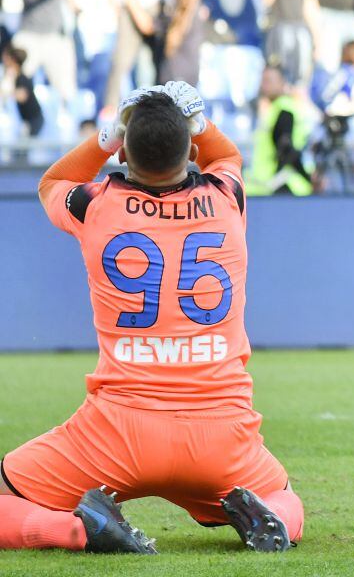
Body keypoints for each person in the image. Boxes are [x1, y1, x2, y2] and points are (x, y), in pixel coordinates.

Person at [0, 82, 303, 553]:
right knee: (287, 502)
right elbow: (228, 159)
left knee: (5, 494)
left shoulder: (97, 206)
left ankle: (80, 531)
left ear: (125, 154)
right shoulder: (227, 200)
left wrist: (110, 134)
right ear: (190, 151)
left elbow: (52, 183)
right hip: (220, 433)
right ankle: (270, 520)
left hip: (117, 431)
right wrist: (197, 121)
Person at [5, 0, 78, 109]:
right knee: (12, 72)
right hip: (29, 34)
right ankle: (8, 108)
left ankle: (67, 113)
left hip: (55, 35)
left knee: (66, 82)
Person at [246, 66, 314, 196]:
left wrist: (308, 178)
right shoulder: (276, 109)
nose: (264, 85)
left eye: (269, 81)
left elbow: (286, 149)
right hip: (272, 187)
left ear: (282, 83)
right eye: (263, 80)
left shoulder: (284, 110)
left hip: (282, 186)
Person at [155, 0, 208, 86]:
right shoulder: (197, 14)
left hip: (172, 74)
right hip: (191, 75)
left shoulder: (174, 17)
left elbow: (148, 27)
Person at [1, 45, 44, 137]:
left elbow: (22, 96)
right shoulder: (13, 76)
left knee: (22, 147)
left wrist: (7, 92)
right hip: (25, 121)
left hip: (33, 120)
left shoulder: (22, 78)